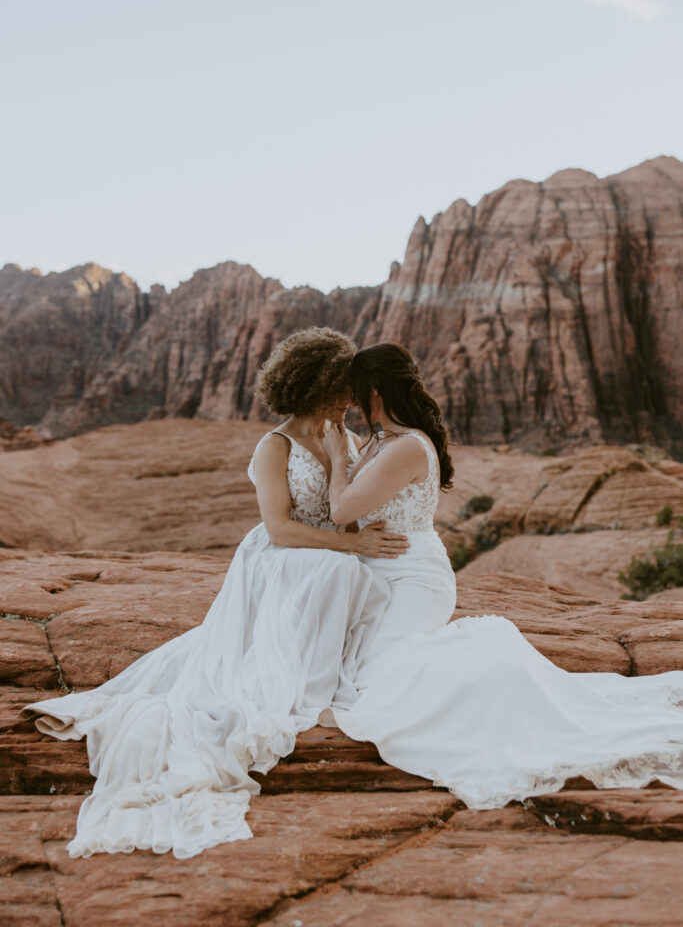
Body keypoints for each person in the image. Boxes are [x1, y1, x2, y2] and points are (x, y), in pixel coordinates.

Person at [22, 327, 406, 860]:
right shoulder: (275, 446)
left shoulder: (345, 435)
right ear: (315, 382)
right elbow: (278, 529)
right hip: (282, 561)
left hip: (327, 556)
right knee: (340, 575)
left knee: (358, 578)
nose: (350, 398)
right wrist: (354, 545)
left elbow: (357, 501)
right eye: (342, 386)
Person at [322, 342, 683, 808]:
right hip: (379, 572)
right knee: (365, 668)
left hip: (413, 578)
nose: (348, 399)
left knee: (382, 678)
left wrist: (335, 459)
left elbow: (340, 509)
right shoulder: (376, 441)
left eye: (354, 389)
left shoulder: (408, 446)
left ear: (373, 389)